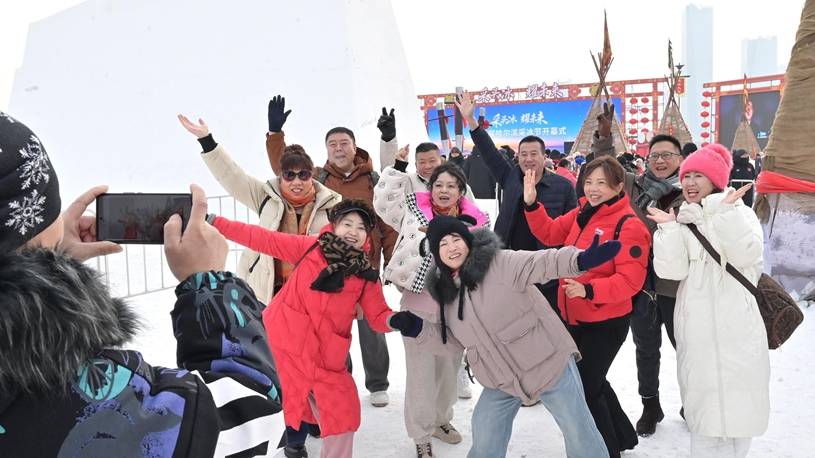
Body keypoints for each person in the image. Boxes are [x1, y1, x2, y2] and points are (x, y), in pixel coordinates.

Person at [0, 112, 285, 457]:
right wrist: (209, 284)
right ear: (33, 229)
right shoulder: (75, 394)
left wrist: (47, 264)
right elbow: (251, 421)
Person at [390, 214, 623, 458]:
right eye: (443, 244)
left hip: (548, 362)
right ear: (437, 254)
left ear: (467, 239)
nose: (452, 248)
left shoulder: (499, 263)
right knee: (485, 431)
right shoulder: (445, 295)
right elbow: (453, 342)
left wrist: (580, 259)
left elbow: (542, 262)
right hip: (500, 378)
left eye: (456, 239)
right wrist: (418, 329)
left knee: (579, 432)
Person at [178, 114, 341, 457]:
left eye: (304, 174)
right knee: (283, 368)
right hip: (271, 295)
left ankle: (315, 417)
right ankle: (294, 438)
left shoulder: (334, 206)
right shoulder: (266, 196)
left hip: (314, 302)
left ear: (313, 175)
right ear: (280, 176)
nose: (296, 182)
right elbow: (232, 175)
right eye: (289, 175)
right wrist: (207, 139)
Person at [207, 199, 409, 458]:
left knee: (342, 416)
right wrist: (216, 222)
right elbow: (263, 238)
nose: (353, 232)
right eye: (347, 224)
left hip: (327, 358)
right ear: (333, 226)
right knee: (283, 408)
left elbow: (378, 314)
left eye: (361, 228)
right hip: (285, 346)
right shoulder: (309, 248)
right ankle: (291, 445)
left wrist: (395, 320)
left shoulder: (365, 275)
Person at [265, 96, 394, 408]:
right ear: (326, 150)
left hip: (366, 265)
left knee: (371, 326)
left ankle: (378, 383)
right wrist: (275, 134)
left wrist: (391, 261)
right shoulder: (319, 179)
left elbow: (387, 224)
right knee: (333, 329)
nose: (339, 148)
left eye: (344, 143)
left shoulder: (372, 180)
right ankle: (340, 378)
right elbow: (287, 168)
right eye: (333, 144)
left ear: (354, 147)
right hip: (330, 268)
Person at [647, 143, 769, 458]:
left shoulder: (741, 214)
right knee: (704, 415)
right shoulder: (683, 221)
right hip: (697, 328)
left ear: (715, 180)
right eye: (686, 176)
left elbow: (747, 255)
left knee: (741, 410)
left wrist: (725, 214)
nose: (689, 182)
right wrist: (668, 230)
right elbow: (671, 271)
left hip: (739, 327)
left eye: (698, 175)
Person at [524, 156, 649, 457]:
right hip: (574, 317)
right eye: (589, 182)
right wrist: (531, 205)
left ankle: (605, 451)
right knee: (592, 381)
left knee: (586, 388)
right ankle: (622, 437)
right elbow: (550, 233)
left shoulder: (629, 225)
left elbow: (630, 281)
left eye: (601, 183)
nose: (593, 189)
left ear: (619, 187)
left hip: (606, 322)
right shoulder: (583, 212)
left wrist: (589, 289)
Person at [375, 153, 489, 457]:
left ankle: (441, 420)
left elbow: (484, 265)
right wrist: (397, 169)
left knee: (448, 373)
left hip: (456, 311)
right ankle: (421, 435)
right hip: (417, 307)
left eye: (451, 185)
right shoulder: (413, 211)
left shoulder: (476, 222)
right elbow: (383, 203)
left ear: (461, 191)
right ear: (430, 187)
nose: (444, 190)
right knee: (421, 375)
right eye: (438, 184)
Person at [592, 122, 687, 436]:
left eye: (667, 155)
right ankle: (651, 405)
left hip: (677, 286)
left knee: (687, 347)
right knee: (646, 348)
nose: (660, 160)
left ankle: (693, 401)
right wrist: (604, 137)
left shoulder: (690, 191)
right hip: (639, 285)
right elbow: (606, 164)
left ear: (680, 159)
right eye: (654, 155)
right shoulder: (633, 186)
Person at [455, 90, 578, 316]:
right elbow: (489, 152)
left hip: (547, 271)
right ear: (518, 157)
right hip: (510, 267)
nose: (528, 159)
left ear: (544, 157)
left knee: (550, 322)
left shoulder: (563, 186)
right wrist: (471, 120)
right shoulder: (511, 177)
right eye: (523, 154)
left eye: (534, 154)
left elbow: (573, 229)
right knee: (513, 321)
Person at [377, 107, 475, 200]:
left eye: (432, 161)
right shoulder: (408, 183)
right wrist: (389, 138)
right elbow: (391, 178)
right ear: (416, 165)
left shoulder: (457, 184)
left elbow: (473, 210)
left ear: (442, 161)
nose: (427, 166)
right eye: (422, 162)